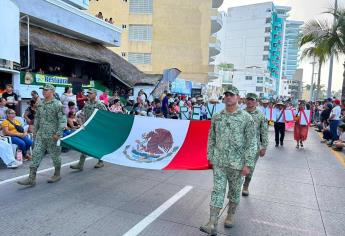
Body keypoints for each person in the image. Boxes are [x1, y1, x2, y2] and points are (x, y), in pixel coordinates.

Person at [200, 86, 257, 235]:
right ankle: (212, 222)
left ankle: (231, 214)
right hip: (219, 162)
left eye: (231, 95)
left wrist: (248, 164)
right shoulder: (218, 116)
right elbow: (211, 137)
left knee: (234, 192)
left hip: (237, 164)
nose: (228, 97)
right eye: (226, 95)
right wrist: (210, 156)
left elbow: (252, 142)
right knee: (217, 190)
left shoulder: (246, 118)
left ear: (238, 97)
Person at [17, 84, 66, 187]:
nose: (43, 91)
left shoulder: (58, 104)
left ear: (52, 91)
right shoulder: (40, 103)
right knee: (36, 155)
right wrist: (35, 132)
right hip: (41, 136)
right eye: (43, 90)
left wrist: (58, 134)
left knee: (55, 156)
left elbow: (62, 121)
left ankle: (57, 174)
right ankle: (31, 178)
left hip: (53, 136)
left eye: (46, 90)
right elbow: (38, 118)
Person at [70, 88, 107, 171]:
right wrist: (82, 124)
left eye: (90, 93)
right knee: (84, 145)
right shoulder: (86, 104)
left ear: (95, 94)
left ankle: (100, 161)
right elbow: (83, 114)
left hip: (97, 128)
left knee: (98, 145)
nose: (88, 95)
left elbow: (105, 116)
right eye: (88, 93)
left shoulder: (100, 104)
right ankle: (80, 164)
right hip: (87, 127)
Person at [241, 93, 268, 197]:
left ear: (256, 102)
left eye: (252, 100)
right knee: (237, 167)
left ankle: (245, 186)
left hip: (254, 147)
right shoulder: (240, 113)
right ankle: (235, 186)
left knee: (249, 168)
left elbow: (264, 132)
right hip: (239, 146)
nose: (250, 102)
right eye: (248, 99)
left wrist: (264, 147)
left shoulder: (260, 115)